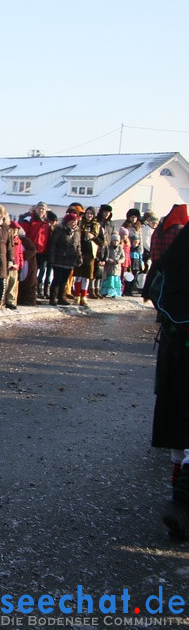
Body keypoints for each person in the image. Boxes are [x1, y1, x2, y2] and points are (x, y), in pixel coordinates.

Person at [140, 223, 189, 538]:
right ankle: (181, 507)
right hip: (180, 342)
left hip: (176, 344)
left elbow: (157, 286)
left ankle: (179, 503)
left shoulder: (179, 247)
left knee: (179, 422)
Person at [48, 212, 82, 307]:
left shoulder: (77, 232)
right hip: (59, 258)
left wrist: (79, 257)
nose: (74, 223)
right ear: (67, 221)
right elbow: (53, 244)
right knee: (57, 279)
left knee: (64, 280)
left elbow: (78, 246)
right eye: (72, 221)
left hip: (70, 259)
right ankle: (52, 298)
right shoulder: (59, 229)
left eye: (75, 221)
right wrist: (52, 258)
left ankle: (61, 297)